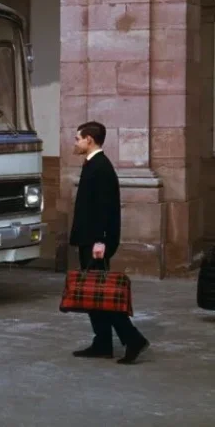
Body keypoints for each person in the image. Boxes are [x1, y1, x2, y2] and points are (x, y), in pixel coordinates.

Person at [70, 121, 150, 365]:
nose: (75, 143)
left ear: (89, 140)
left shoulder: (101, 167)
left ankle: (133, 339)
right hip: (90, 239)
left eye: (78, 138)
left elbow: (106, 209)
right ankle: (102, 343)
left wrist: (100, 240)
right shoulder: (93, 164)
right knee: (95, 293)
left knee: (103, 294)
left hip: (96, 242)